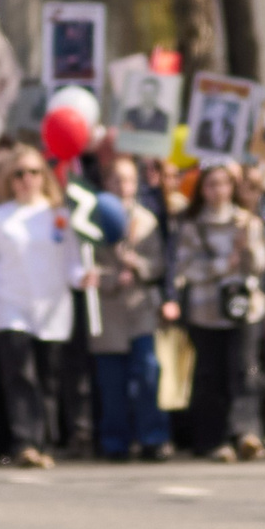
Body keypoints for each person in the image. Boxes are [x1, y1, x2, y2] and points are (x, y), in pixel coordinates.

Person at [0, 144, 89, 468]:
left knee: (48, 378)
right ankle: (24, 442)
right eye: (19, 174)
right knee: (19, 374)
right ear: (9, 179)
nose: (26, 180)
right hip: (10, 307)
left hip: (52, 309)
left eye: (33, 172)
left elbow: (72, 262)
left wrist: (83, 278)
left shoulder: (60, 215)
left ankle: (45, 442)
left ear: (43, 176)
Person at [164, 161, 265, 461]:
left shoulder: (248, 222)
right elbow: (187, 268)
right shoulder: (192, 225)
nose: (219, 190)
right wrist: (223, 265)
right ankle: (213, 439)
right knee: (210, 374)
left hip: (243, 308)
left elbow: (260, 265)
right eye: (212, 184)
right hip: (206, 309)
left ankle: (246, 433)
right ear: (202, 189)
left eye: (225, 183)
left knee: (245, 370)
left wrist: (246, 248)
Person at [73, 148, 166, 463]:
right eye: (115, 179)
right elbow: (87, 266)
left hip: (139, 311)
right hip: (108, 314)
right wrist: (112, 278)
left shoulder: (147, 221)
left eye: (128, 180)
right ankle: (115, 442)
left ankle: (153, 437)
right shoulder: (89, 223)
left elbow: (158, 265)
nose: (122, 185)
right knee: (111, 383)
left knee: (148, 373)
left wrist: (136, 264)